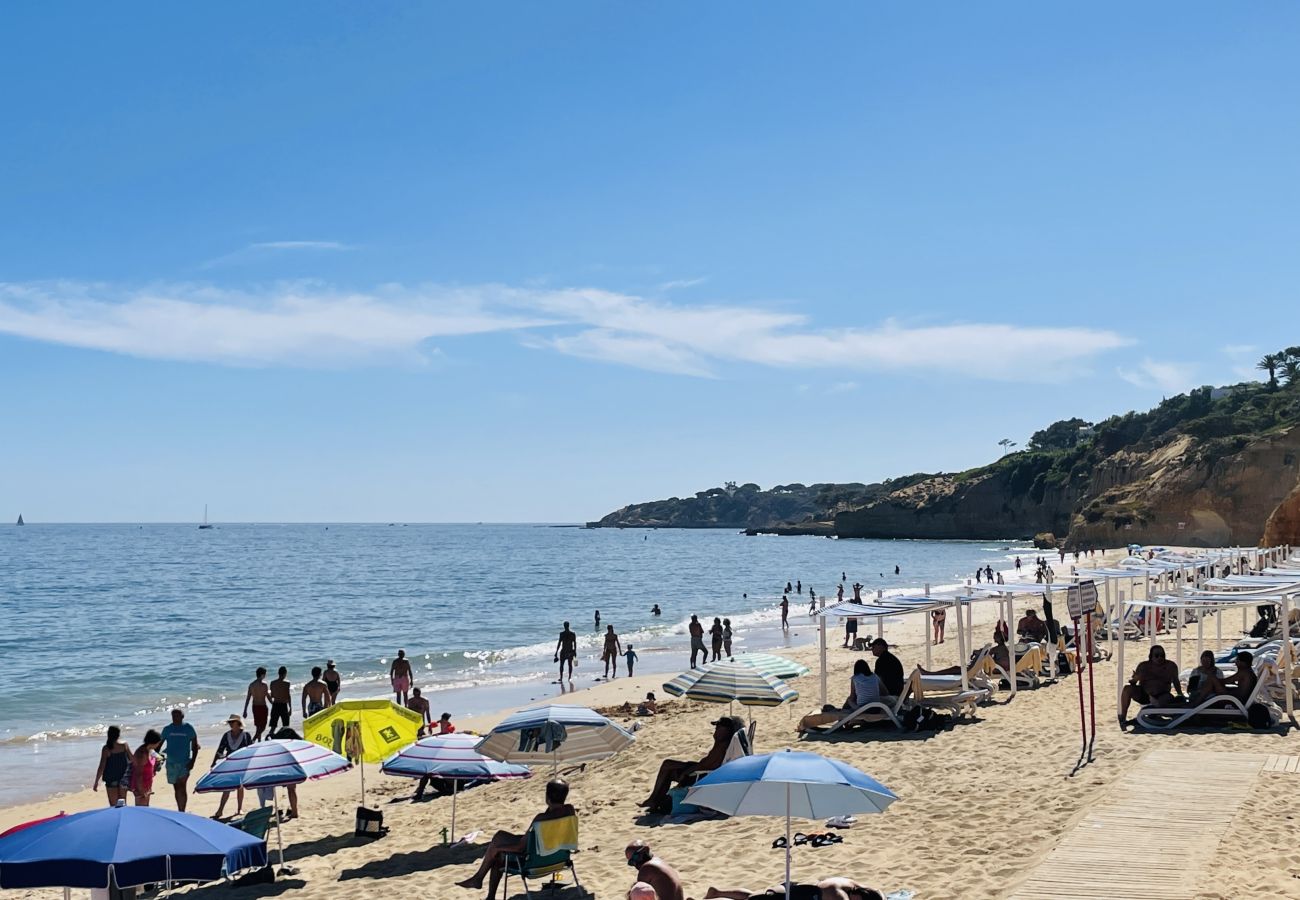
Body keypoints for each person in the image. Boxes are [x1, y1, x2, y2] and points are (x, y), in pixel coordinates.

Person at [455, 779, 576, 900]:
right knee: (500, 836)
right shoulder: (569, 811)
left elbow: (520, 848)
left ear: (547, 797)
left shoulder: (540, 819)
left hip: (534, 863)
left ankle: (482, 885)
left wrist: (497, 848)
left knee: (498, 855)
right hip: (559, 859)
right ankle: (479, 880)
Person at [640, 716, 744, 812]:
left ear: (726, 731)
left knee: (667, 765)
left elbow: (706, 766)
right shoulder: (725, 743)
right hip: (704, 772)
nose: (715, 730)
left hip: (702, 776)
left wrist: (686, 772)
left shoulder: (721, 746)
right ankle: (655, 801)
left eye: (718, 728)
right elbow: (706, 763)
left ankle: (654, 800)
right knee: (668, 768)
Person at [798, 660, 882, 732]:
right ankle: (844, 718)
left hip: (863, 709)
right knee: (851, 703)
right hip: (877, 708)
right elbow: (883, 690)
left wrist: (849, 702)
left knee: (849, 700)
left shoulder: (855, 678)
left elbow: (852, 696)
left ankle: (842, 717)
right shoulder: (874, 676)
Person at [1119, 645, 1184, 726]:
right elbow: (1133, 683)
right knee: (1127, 689)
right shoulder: (1143, 666)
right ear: (1151, 657)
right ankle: (1123, 717)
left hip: (1162, 694)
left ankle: (1154, 714)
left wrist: (1180, 694)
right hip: (1145, 694)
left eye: (1162, 655)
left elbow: (1176, 681)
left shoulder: (1171, 666)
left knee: (1167, 698)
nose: (1160, 658)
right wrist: (1135, 679)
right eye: (1156, 655)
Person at [212, 714, 253, 819]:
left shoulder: (246, 735)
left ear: (238, 723)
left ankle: (239, 808)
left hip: (242, 764)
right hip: (230, 763)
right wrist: (214, 762)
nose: (230, 724)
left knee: (240, 786)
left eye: (232, 722)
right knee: (227, 787)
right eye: (230, 722)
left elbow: (251, 749)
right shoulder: (226, 736)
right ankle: (220, 810)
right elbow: (220, 750)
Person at [160, 708, 200, 812]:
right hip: (171, 763)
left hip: (184, 762)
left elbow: (195, 746)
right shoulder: (167, 729)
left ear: (182, 717)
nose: (175, 718)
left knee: (182, 786)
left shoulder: (188, 728)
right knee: (176, 787)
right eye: (173, 716)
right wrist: (155, 759)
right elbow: (158, 745)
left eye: (177, 716)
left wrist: (193, 761)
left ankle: (182, 810)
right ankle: (180, 808)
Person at [702, 878, 884, 900]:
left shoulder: (850, 883)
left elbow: (880, 895)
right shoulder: (840, 896)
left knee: (752, 896)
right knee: (751, 899)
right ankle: (717, 893)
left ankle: (717, 892)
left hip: (794, 888)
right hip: (784, 896)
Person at [93, 725, 132, 807]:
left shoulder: (106, 749)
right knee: (123, 804)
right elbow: (132, 759)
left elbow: (102, 766)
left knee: (114, 805)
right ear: (119, 734)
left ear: (108, 735)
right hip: (123, 778)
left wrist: (96, 781)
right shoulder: (124, 745)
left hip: (111, 779)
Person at [130, 729, 163, 806]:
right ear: (153, 742)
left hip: (147, 785)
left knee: (146, 808)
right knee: (141, 811)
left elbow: (158, 757)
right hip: (141, 787)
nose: (158, 745)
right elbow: (138, 774)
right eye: (158, 743)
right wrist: (141, 791)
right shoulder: (142, 754)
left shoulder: (150, 750)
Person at [243, 667, 271, 741]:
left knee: (258, 726)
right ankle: (254, 739)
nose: (265, 676)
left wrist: (245, 710)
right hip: (262, 706)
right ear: (262, 675)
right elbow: (268, 697)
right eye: (265, 674)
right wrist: (273, 703)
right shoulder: (264, 685)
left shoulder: (251, 685)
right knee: (263, 727)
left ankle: (259, 741)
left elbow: (248, 698)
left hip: (255, 707)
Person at [269, 667, 292, 733]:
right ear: (285, 673)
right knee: (286, 726)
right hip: (283, 705)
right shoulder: (287, 683)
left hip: (275, 705)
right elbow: (288, 696)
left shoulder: (272, 683)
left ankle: (269, 739)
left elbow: (272, 695)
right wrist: (290, 708)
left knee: (273, 726)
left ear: (278, 673)